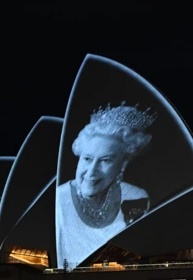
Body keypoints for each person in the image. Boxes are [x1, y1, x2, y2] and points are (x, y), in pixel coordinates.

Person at [56, 102, 156, 268]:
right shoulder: (59, 200)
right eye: (87, 159)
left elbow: (136, 254)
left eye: (105, 160)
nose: (92, 171)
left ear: (123, 164)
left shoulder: (136, 196)